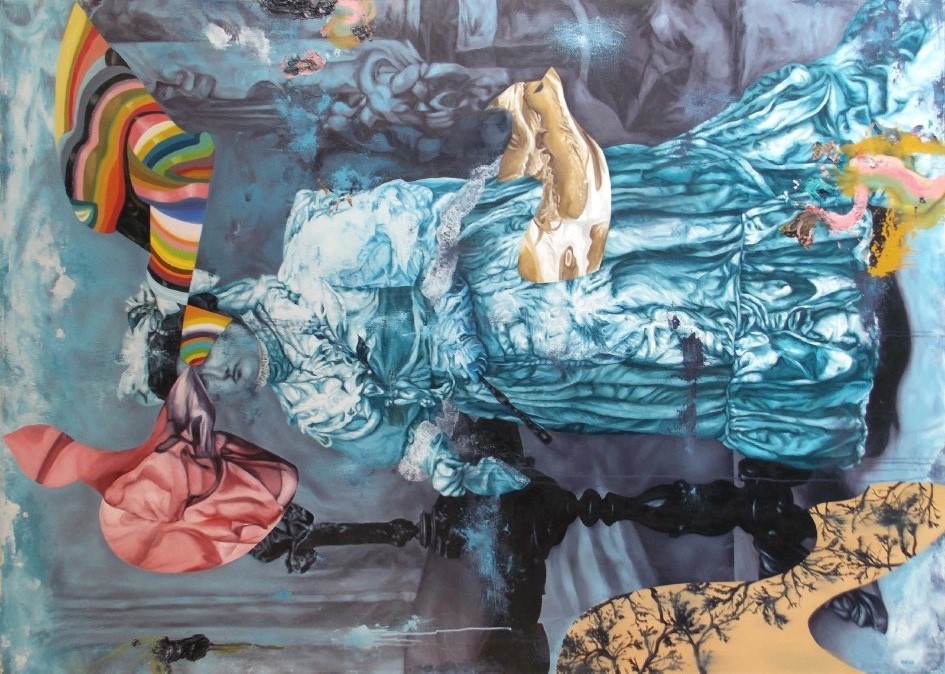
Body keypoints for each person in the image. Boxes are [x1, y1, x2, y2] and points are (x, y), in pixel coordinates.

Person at [125, 0, 933, 496]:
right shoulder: (309, 402)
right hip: (509, 374)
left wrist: (452, 308)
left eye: (207, 361)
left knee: (623, 281)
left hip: (502, 267)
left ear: (216, 317)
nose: (220, 380)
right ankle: (819, 350)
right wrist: (447, 464)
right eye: (208, 390)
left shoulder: (314, 256)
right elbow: (393, 433)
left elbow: (424, 227)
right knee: (645, 360)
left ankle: (812, 249)